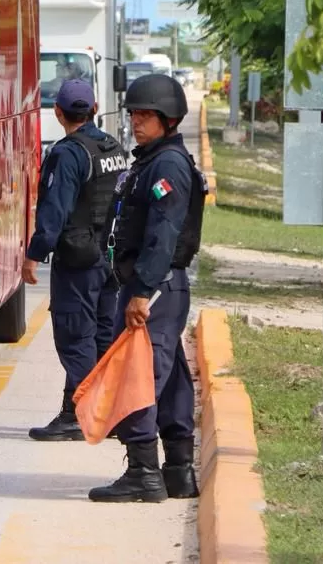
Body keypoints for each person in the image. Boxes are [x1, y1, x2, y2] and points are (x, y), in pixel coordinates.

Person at [88, 73, 207, 504]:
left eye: (145, 115)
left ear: (168, 119)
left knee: (138, 379)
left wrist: (140, 292)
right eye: (134, 114)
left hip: (155, 288)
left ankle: (143, 473)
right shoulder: (151, 160)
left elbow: (163, 235)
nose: (136, 122)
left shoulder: (167, 165)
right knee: (171, 379)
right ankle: (178, 472)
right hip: (155, 286)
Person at [21, 78, 127, 442]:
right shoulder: (113, 147)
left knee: (75, 336)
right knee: (99, 336)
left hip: (78, 259)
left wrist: (34, 254)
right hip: (110, 258)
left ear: (58, 112)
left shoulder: (67, 153)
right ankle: (86, 413)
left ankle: (87, 415)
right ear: (94, 109)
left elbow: (55, 209)